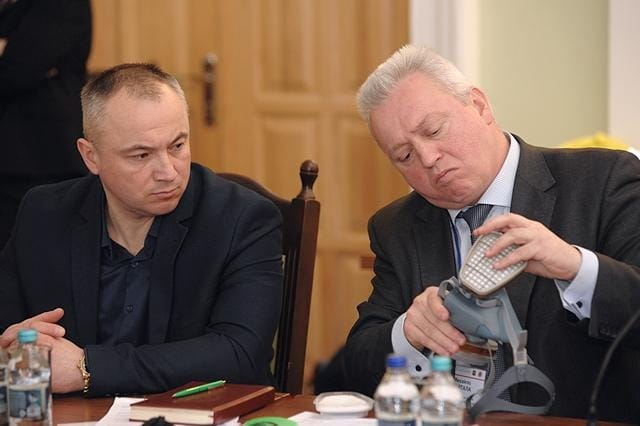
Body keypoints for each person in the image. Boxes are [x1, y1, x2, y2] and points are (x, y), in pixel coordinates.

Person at [344, 45, 640, 423]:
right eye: (405, 156)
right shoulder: (396, 227)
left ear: (480, 106)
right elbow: (357, 363)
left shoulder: (603, 181)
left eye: (433, 130)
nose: (428, 159)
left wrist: (574, 267)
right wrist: (408, 332)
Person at [0, 63, 284, 397]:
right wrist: (11, 343)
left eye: (177, 146)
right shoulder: (44, 214)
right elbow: (9, 330)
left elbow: (239, 354)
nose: (168, 172)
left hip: (197, 414)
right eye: (141, 155)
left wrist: (86, 368)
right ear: (91, 157)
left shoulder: (243, 219)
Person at [0, 0, 92, 249]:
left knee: (42, 251)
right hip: (10, 159)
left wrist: (10, 50)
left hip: (44, 155)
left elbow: (18, 67)